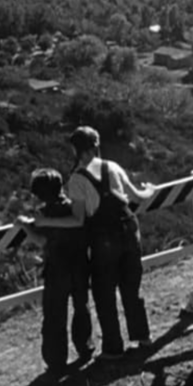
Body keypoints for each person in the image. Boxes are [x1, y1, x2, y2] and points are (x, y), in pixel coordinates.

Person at [66, 126, 157, 360]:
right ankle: (143, 337)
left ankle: (113, 348)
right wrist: (151, 189)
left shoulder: (76, 179)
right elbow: (137, 196)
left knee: (104, 292)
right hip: (129, 229)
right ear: (95, 146)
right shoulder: (113, 167)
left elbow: (78, 218)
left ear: (78, 150)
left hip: (103, 238)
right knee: (131, 288)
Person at [15, 168, 94, 376]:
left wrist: (25, 225)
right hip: (80, 265)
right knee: (81, 307)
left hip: (58, 268)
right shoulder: (73, 208)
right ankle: (85, 346)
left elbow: (42, 240)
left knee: (54, 315)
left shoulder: (45, 214)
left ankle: (56, 360)